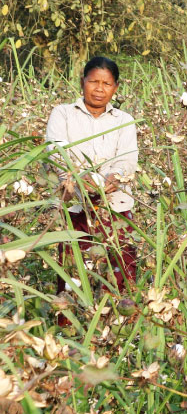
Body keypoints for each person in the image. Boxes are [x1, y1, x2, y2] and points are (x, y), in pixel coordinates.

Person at [46, 56, 139, 294]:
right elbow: (56, 152)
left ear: (116, 88)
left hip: (115, 207)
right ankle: (70, 317)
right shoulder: (63, 114)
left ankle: (116, 314)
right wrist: (78, 177)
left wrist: (116, 176)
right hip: (75, 205)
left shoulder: (124, 121)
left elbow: (128, 158)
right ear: (82, 82)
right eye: (93, 82)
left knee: (120, 275)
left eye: (106, 84)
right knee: (73, 274)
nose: (99, 89)